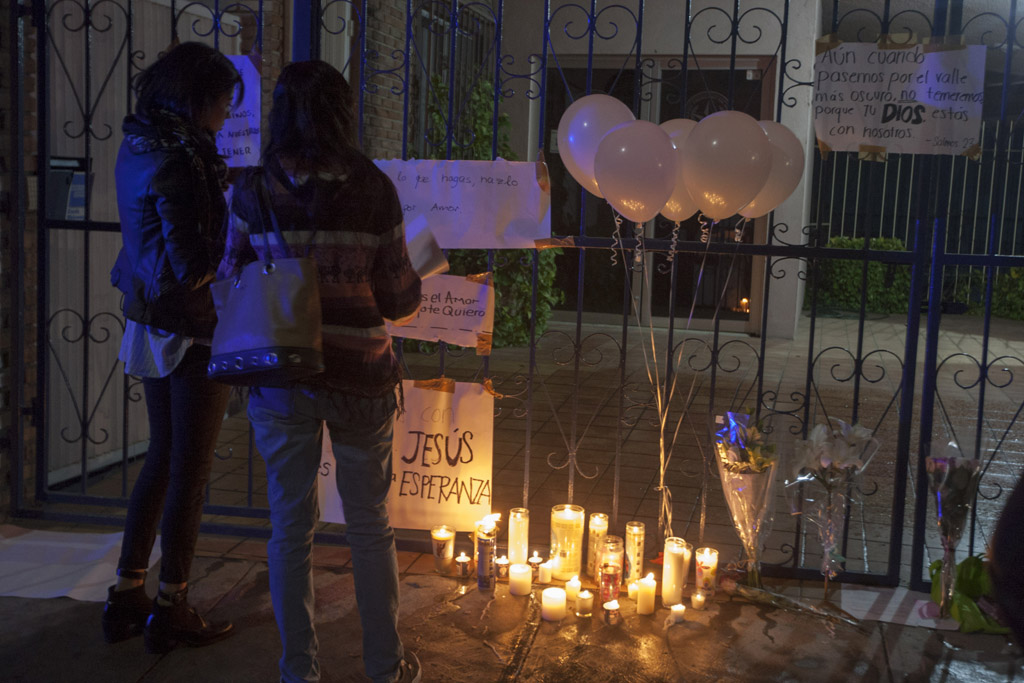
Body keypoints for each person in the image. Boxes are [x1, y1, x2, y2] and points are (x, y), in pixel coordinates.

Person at [219, 60, 422, 683]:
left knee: (289, 530)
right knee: (368, 525)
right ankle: (384, 669)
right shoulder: (373, 186)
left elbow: (230, 278)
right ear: (343, 110)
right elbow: (397, 300)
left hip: (282, 376)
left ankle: (298, 670)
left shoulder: (252, 190)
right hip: (361, 375)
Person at [104, 41, 240, 653]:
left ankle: (127, 593)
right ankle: (172, 604)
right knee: (191, 468)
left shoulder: (140, 144)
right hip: (189, 326)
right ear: (197, 100)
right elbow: (192, 264)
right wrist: (238, 257)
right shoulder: (186, 158)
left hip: (150, 318)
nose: (225, 118)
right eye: (222, 105)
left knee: (162, 457)